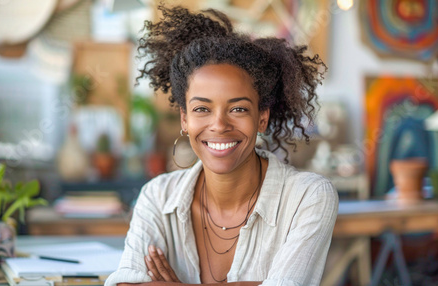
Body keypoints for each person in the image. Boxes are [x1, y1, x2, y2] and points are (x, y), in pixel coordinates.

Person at [105, 4, 338, 286]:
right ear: (184, 119)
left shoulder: (307, 197)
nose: (219, 125)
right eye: (202, 109)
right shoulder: (157, 197)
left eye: (238, 109)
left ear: (261, 117)